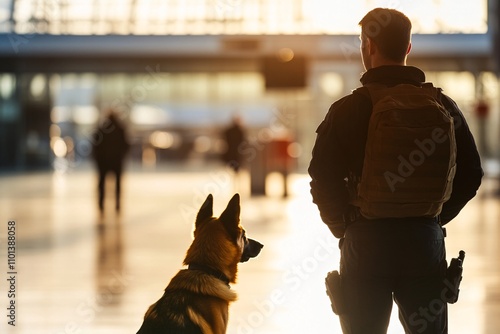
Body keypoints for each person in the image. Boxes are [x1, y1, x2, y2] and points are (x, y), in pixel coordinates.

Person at [308, 8, 483, 334]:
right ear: (407, 48)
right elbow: (471, 174)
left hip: (365, 242)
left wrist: (345, 226)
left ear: (369, 46)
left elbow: (322, 177)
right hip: (424, 243)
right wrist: (430, 218)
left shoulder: (348, 109)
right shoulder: (443, 106)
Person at [91, 110, 130, 214]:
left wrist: (98, 158)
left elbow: (95, 145)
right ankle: (117, 204)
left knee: (102, 183)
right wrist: (121, 156)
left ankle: (101, 203)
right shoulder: (120, 129)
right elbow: (126, 145)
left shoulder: (101, 129)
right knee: (117, 184)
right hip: (116, 161)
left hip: (103, 162)